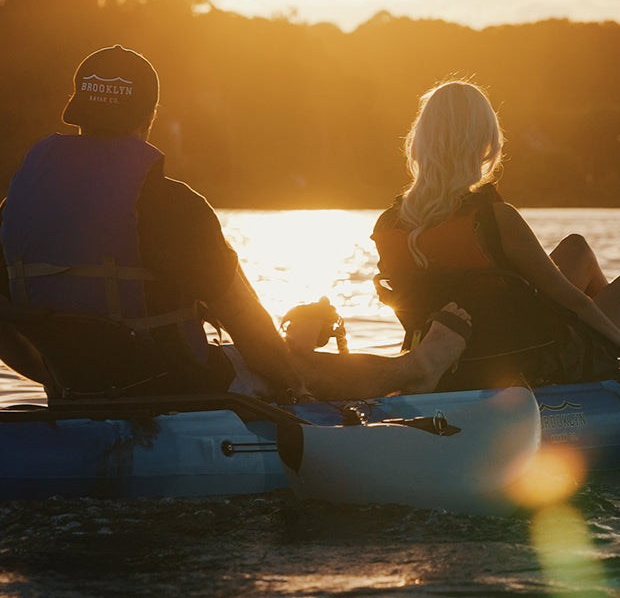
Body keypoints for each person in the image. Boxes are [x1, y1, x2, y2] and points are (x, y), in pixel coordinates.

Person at [0, 46, 470, 403]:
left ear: (77, 113)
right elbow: (252, 333)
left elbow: (6, 330)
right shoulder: (171, 205)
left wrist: (62, 381)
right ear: (150, 116)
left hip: (76, 392)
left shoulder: (14, 208)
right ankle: (418, 371)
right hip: (179, 386)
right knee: (285, 363)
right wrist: (296, 393)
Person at [372, 79, 620, 391]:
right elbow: (573, 305)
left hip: (454, 360)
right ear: (482, 142)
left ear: (421, 143)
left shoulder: (389, 226)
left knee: (576, 249)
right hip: (531, 364)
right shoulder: (494, 219)